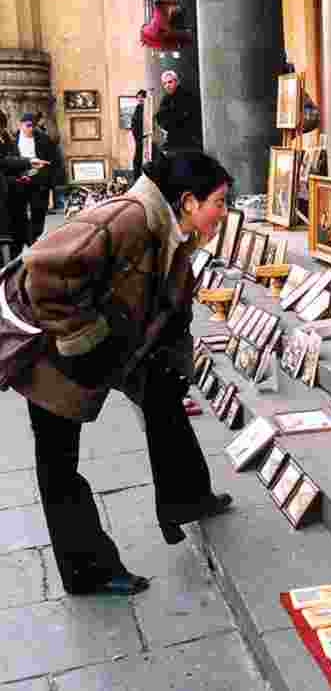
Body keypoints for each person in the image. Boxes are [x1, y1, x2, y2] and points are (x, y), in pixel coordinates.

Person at [0, 150, 235, 596]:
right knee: (58, 463)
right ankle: (87, 569)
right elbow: (42, 272)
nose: (224, 213)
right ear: (188, 200)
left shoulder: (172, 231)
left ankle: (187, 496)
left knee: (164, 399)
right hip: (54, 359)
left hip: (116, 347)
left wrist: (173, 358)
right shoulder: (127, 219)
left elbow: (169, 303)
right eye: (219, 202)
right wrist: (85, 338)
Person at [9, 112, 62, 254]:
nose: (31, 128)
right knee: (19, 212)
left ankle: (33, 237)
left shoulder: (43, 139)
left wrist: (51, 180)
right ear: (21, 125)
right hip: (20, 180)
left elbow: (55, 160)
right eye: (28, 125)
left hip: (39, 180)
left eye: (33, 126)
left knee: (39, 211)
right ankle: (26, 238)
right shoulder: (12, 139)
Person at [154, 70, 202, 152]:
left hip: (188, 141)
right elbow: (160, 118)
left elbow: (185, 118)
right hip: (173, 140)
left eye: (170, 82)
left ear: (177, 82)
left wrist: (170, 119)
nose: (167, 86)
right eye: (164, 84)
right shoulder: (166, 99)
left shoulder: (187, 96)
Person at [131, 89, 147, 181]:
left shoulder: (146, 108)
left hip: (144, 138)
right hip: (139, 139)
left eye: (142, 98)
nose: (140, 100)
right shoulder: (138, 108)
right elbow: (134, 124)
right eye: (138, 98)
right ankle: (137, 180)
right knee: (137, 160)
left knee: (140, 160)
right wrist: (137, 138)